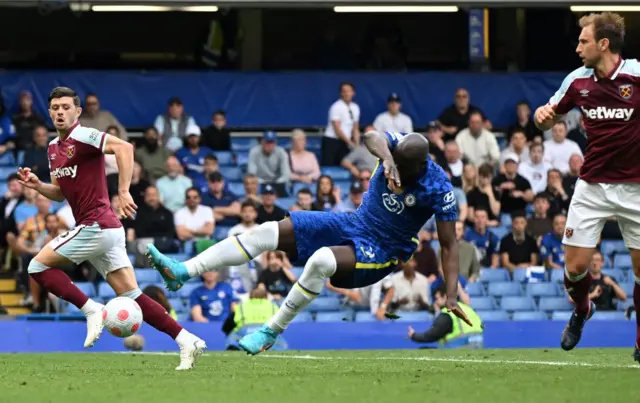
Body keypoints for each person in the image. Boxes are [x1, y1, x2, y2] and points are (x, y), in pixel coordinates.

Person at [147, 130, 471, 355]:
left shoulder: (437, 188)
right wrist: (386, 159)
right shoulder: (396, 149)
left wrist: (452, 293)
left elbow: (448, 245)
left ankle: (270, 331)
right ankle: (182, 271)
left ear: (417, 168)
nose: (392, 169)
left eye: (400, 166)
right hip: (353, 221)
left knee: (321, 261)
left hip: (383, 249)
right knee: (265, 231)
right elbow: (371, 136)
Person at [17, 87, 205, 370]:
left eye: (66, 107)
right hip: (104, 230)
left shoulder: (83, 135)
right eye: (55, 107)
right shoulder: (53, 149)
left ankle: (92, 310)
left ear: (77, 112)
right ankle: (186, 339)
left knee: (36, 268)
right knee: (133, 295)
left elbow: (124, 147)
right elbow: (59, 193)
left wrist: (125, 190)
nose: (59, 112)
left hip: (97, 225)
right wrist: (38, 186)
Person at [533, 12, 640, 356]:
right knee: (575, 269)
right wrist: (542, 117)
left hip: (635, 188)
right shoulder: (577, 80)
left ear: (603, 44)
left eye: (584, 41)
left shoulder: (636, 76)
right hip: (592, 186)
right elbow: (549, 115)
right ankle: (582, 309)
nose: (578, 47)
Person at [408, 284, 483, 348]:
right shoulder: (468, 308)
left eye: (437, 298)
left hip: (459, 348)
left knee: (425, 350)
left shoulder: (448, 313)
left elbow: (433, 335)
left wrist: (414, 336)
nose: (436, 302)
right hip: (478, 346)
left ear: (445, 296)